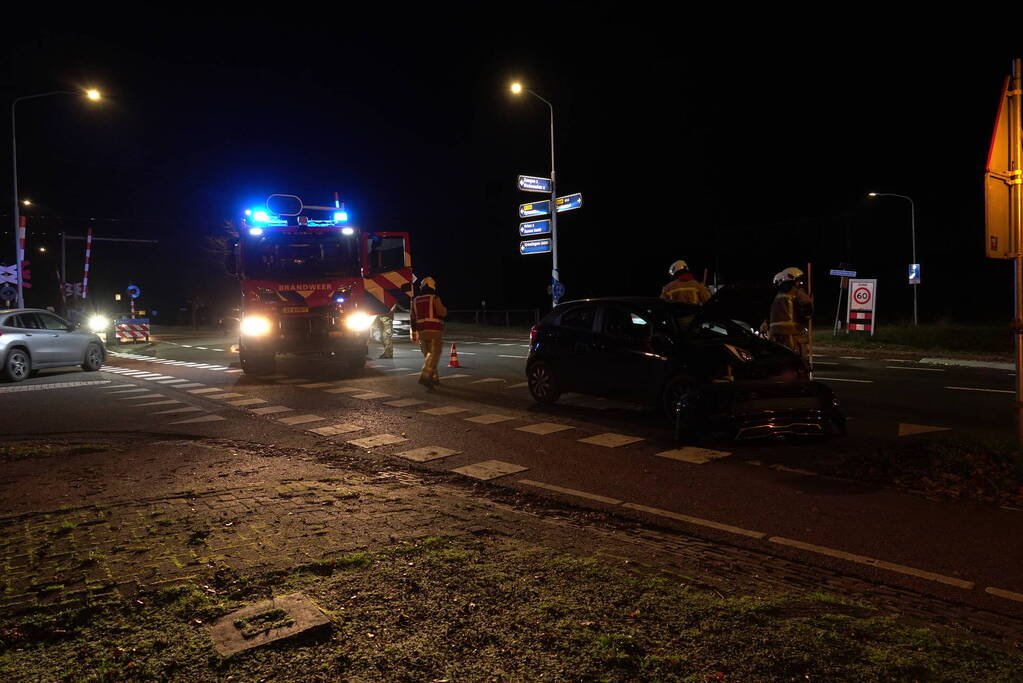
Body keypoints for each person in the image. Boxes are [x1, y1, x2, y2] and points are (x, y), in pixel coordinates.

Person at [410, 277, 447, 388]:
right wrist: (445, 310)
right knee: (434, 354)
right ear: (432, 286)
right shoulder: (434, 298)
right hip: (434, 331)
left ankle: (434, 378)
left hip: (422, 332)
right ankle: (425, 377)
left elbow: (412, 318)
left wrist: (414, 332)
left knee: (428, 355)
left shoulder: (415, 300)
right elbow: (442, 312)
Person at [768, 267, 813, 358]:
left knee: (776, 355)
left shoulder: (777, 296)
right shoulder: (796, 292)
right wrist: (806, 317)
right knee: (794, 357)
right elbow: (808, 308)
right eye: (798, 281)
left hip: (774, 332)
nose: (799, 283)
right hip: (791, 331)